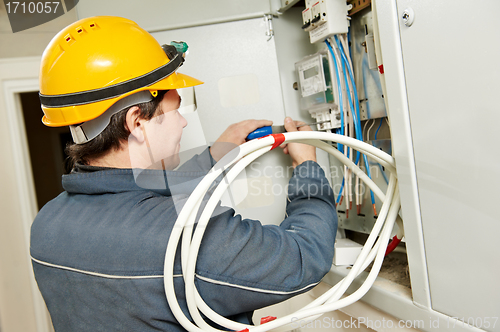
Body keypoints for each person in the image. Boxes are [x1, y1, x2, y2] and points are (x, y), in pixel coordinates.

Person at [31, 16, 338, 331]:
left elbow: (133, 203)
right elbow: (303, 257)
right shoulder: (188, 236)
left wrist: (215, 156)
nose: (183, 123)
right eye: (176, 108)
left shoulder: (47, 224)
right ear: (137, 122)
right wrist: (307, 168)